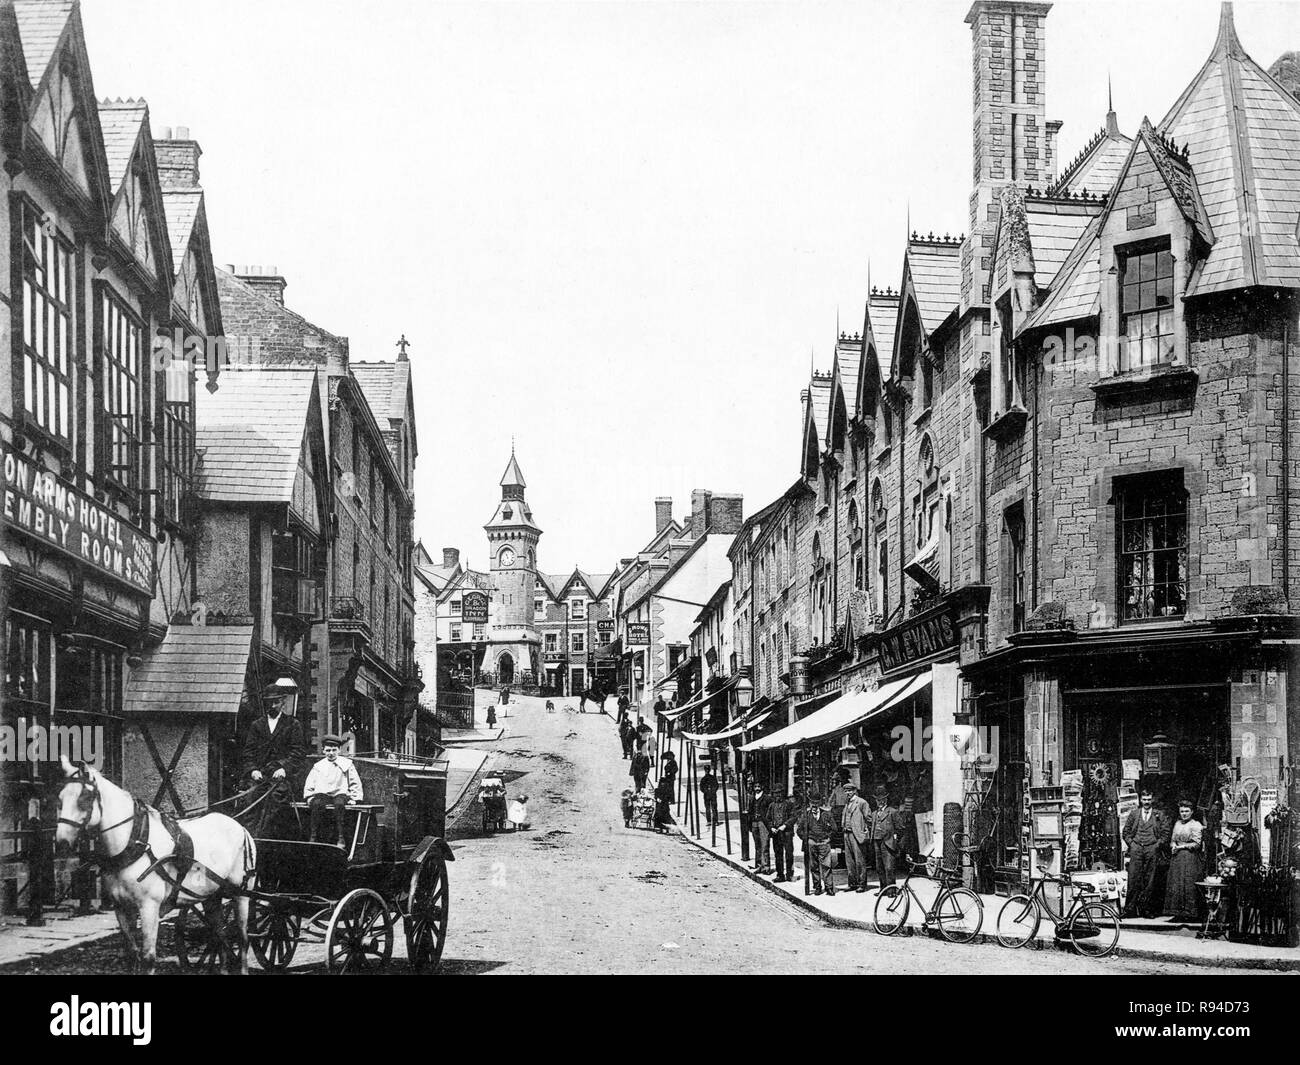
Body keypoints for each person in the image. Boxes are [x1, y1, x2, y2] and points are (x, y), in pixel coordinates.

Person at [240, 683, 308, 836]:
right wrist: (253, 770)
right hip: (260, 775)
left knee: (277, 799)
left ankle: (268, 838)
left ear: (283, 702)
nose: (272, 705)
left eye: (276, 702)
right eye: (268, 702)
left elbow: (298, 752)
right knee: (250, 798)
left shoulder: (292, 724)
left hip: (282, 776)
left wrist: (284, 768)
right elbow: (248, 753)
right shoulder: (257, 725)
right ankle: (251, 838)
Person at [303, 735, 363, 848]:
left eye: (334, 750)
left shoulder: (347, 764)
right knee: (316, 804)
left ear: (339, 750)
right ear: (323, 751)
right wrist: (309, 796)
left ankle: (341, 837)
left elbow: (355, 782)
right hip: (323, 794)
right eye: (328, 750)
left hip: (340, 793)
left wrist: (354, 798)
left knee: (339, 805)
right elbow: (310, 782)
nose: (331, 753)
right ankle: (314, 836)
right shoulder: (318, 766)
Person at [1122, 787, 1171, 918]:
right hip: (1136, 848)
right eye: (1144, 799)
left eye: (1149, 799)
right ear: (1140, 800)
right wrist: (1132, 844)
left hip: (1152, 848)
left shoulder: (1159, 815)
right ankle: (1129, 910)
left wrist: (1157, 845)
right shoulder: (1134, 814)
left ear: (1152, 799)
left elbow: (1166, 834)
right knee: (1133, 878)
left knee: (1150, 880)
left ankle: (1146, 910)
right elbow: (1125, 832)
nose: (1146, 802)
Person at [1163, 799, 1204, 922]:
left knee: (1188, 883)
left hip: (1190, 857)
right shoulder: (1177, 824)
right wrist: (1173, 845)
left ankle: (1190, 913)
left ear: (1192, 812)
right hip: (1177, 858)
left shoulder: (1196, 825)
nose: (1184, 814)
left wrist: (1181, 846)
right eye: (1182, 811)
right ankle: (1177, 913)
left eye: (1187, 811)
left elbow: (1197, 843)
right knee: (1176, 883)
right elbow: (1173, 839)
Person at [868, 784, 912, 888]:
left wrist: (896, 842)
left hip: (888, 842)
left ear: (886, 799)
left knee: (889, 867)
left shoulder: (892, 812)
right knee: (879, 867)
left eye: (882, 799)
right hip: (876, 842)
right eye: (878, 800)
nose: (880, 801)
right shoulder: (874, 813)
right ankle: (883, 888)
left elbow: (901, 829)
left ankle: (891, 889)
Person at [798, 793, 837, 895]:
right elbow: (799, 830)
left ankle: (829, 887)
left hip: (824, 843)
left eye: (816, 803)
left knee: (826, 866)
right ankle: (817, 887)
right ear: (810, 803)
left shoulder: (826, 814)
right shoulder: (806, 815)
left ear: (819, 803)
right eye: (812, 803)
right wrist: (807, 839)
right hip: (812, 843)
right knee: (814, 866)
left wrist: (828, 838)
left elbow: (834, 829)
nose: (814, 805)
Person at [840, 782, 871, 892]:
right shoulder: (847, 803)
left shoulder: (861, 802)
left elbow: (869, 818)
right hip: (847, 833)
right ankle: (852, 883)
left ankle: (862, 884)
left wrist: (865, 831)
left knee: (859, 860)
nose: (847, 793)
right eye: (846, 791)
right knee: (849, 860)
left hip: (857, 834)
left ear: (854, 791)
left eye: (849, 791)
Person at [765, 785, 799, 883]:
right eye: (775, 793)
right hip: (776, 834)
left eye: (779, 793)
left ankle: (789, 874)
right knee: (778, 854)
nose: (777, 795)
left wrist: (785, 825)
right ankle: (780, 875)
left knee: (789, 854)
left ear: (782, 794)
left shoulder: (789, 804)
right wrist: (771, 827)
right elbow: (768, 819)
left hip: (787, 833)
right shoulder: (772, 805)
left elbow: (793, 817)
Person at [748, 782, 771, 874]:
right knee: (757, 845)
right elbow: (750, 811)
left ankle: (766, 867)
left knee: (764, 844)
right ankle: (758, 865)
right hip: (754, 822)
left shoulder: (767, 798)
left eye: (758, 786)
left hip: (763, 823)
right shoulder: (752, 798)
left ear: (762, 787)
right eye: (755, 787)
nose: (757, 788)